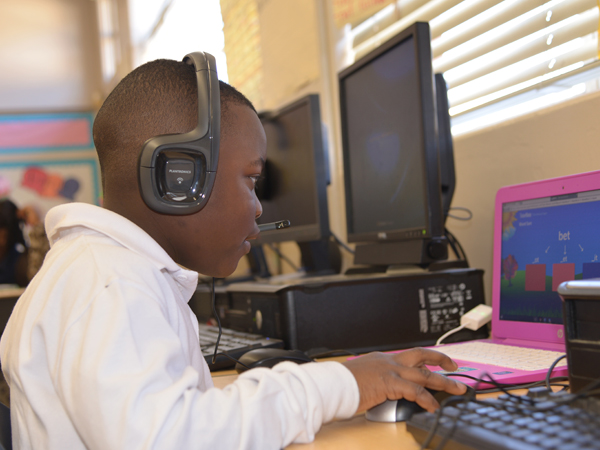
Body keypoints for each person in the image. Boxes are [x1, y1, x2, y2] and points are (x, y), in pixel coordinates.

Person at [0, 56, 466, 449]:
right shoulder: (109, 284)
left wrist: (350, 376)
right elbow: (170, 437)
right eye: (252, 179)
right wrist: (343, 384)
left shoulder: (104, 270)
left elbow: (179, 415)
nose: (261, 207)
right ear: (179, 179)